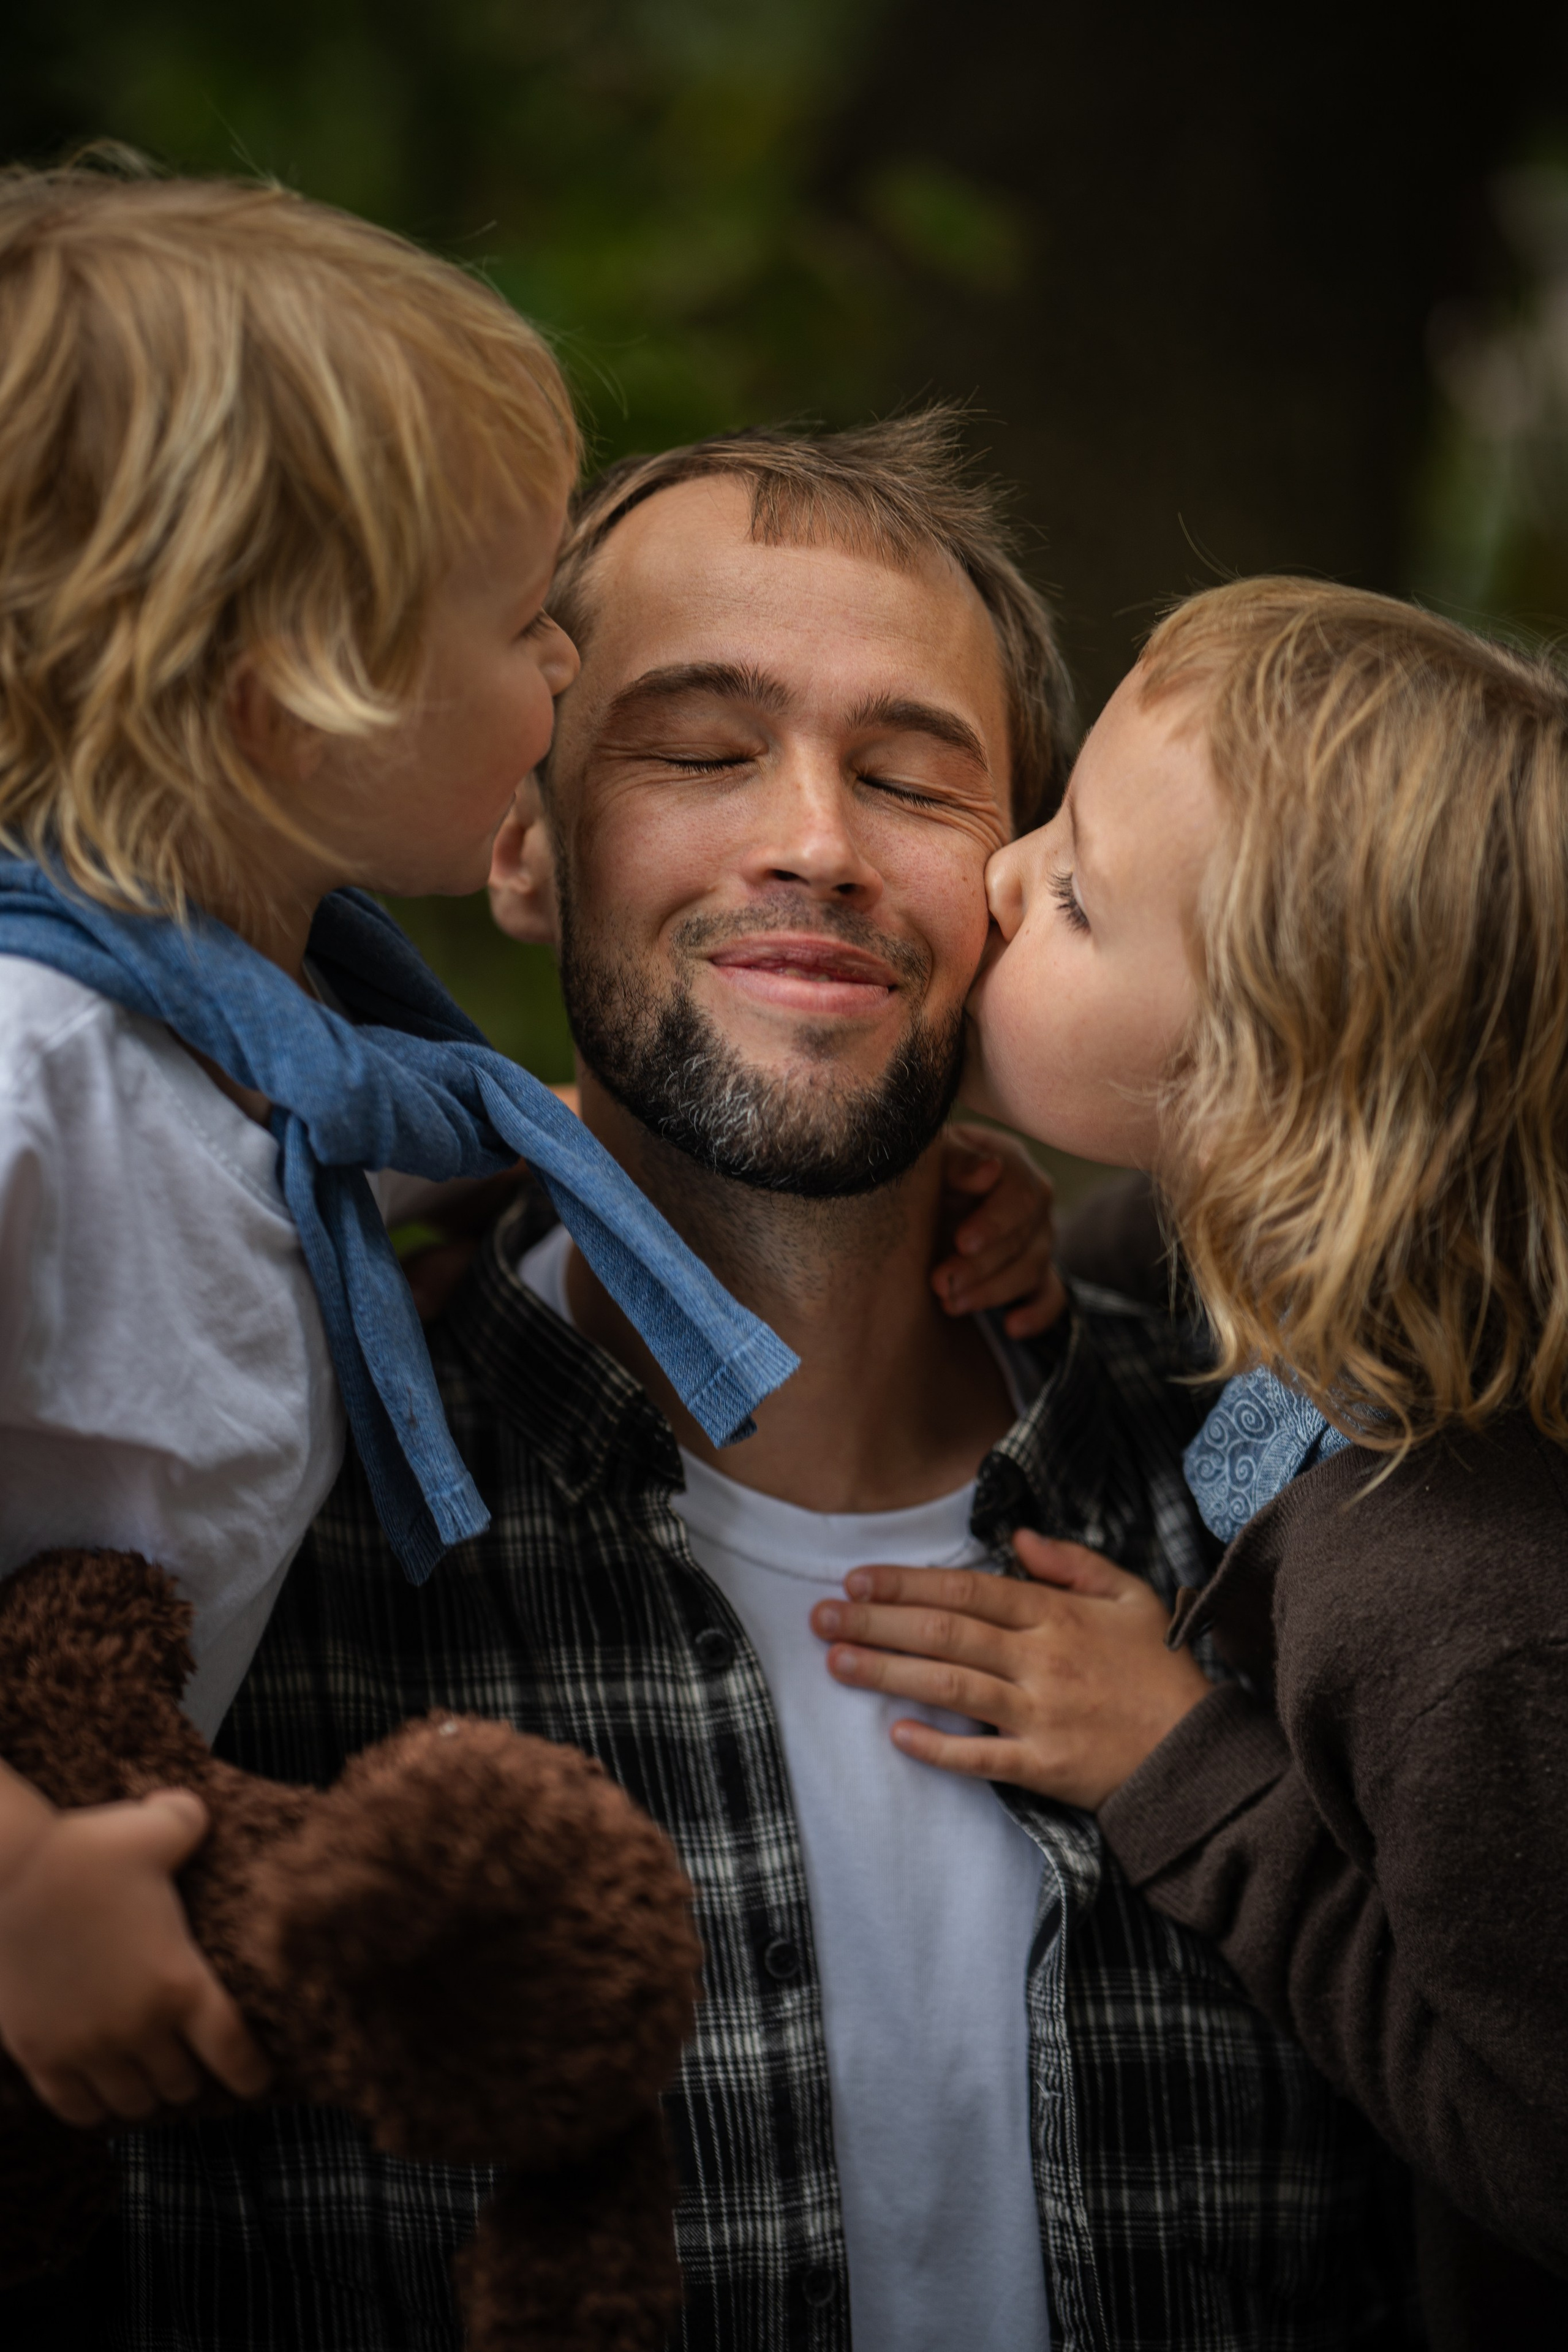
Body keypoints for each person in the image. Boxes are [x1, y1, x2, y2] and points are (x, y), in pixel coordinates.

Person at [102, 427, 1411, 2352]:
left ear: (1027, 890)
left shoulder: (1298, 1505)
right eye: (701, 749)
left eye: (910, 775)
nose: (815, 838)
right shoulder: (254, 1536)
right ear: (523, 844)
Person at [0, 165, 800, 2163]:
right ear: (291, 691)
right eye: (528, 614)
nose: (559, 668)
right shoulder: (36, 1073)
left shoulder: (262, 1067)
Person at [832, 576, 1568, 2345]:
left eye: (1078, 896)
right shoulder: (1347, 1330)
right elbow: (1226, 1322)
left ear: (1263, 1101)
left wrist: (1189, 1767)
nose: (1006, 874)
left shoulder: (1462, 1611)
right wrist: (1061, 1244)